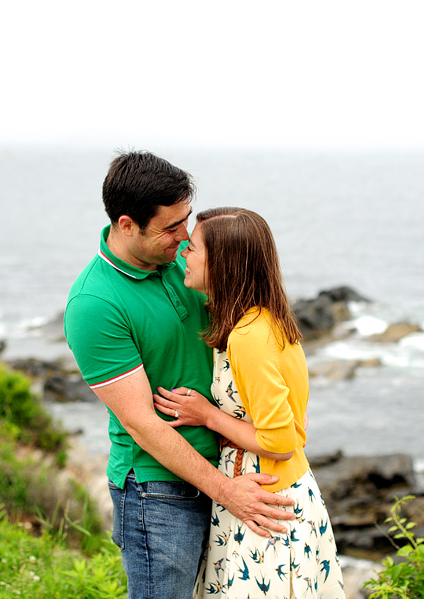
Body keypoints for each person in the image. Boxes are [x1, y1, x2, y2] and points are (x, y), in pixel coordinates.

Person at [64, 152, 295, 599]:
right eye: (170, 228)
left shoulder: (184, 264)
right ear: (127, 224)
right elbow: (141, 423)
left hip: (227, 467)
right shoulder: (94, 303)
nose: (185, 238)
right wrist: (228, 492)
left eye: (186, 220)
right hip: (159, 490)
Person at [154, 207, 345, 598]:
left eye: (193, 248)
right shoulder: (266, 319)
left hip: (264, 500)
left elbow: (281, 438)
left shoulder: (249, 337)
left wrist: (206, 415)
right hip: (275, 490)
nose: (183, 254)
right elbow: (299, 416)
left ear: (223, 264)